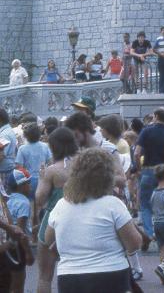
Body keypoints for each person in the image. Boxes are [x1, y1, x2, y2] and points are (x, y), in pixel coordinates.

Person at [45, 147, 141, 293]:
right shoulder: (113, 204)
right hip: (110, 274)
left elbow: (48, 239)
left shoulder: (61, 205)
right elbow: (134, 244)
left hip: (70, 276)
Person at [35, 127, 79, 293]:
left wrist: (41, 177)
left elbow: (40, 199)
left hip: (53, 220)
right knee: (79, 271)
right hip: (80, 219)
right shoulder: (83, 166)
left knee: (45, 276)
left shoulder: (52, 171)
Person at [134, 108, 164, 241]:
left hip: (148, 170)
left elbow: (137, 153)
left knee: (145, 204)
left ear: (156, 116)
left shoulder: (146, 131)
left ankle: (149, 233)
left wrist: (139, 169)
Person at [16, 122, 50, 203]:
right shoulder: (45, 146)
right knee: (42, 203)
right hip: (43, 179)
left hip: (28, 180)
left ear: (25, 135)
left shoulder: (22, 149)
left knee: (30, 202)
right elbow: (50, 162)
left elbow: (19, 167)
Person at [0, 111, 17, 188]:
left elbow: (1, 156)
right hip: (7, 169)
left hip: (4, 171)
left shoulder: (4, 135)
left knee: (4, 193)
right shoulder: (7, 131)